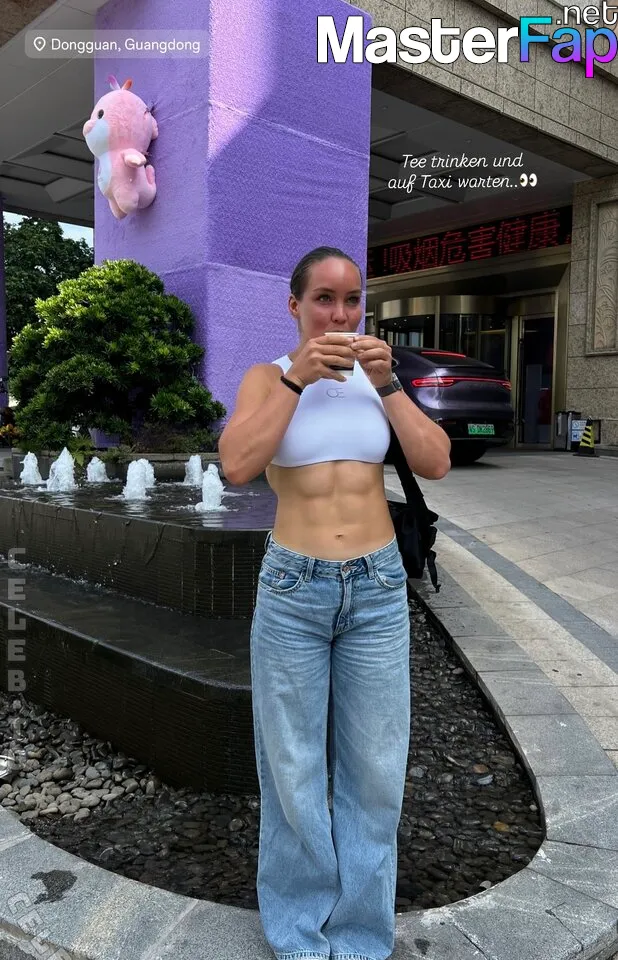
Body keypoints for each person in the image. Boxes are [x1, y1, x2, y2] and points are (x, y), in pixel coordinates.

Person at [218, 246, 451, 960]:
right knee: (291, 767)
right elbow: (237, 464)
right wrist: (296, 377)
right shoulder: (267, 376)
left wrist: (389, 385)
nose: (340, 314)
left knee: (375, 768)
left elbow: (436, 460)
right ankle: (298, 933)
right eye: (324, 299)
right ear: (295, 305)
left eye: (352, 300)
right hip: (294, 587)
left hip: (377, 588)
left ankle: (359, 937)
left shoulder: (380, 379)